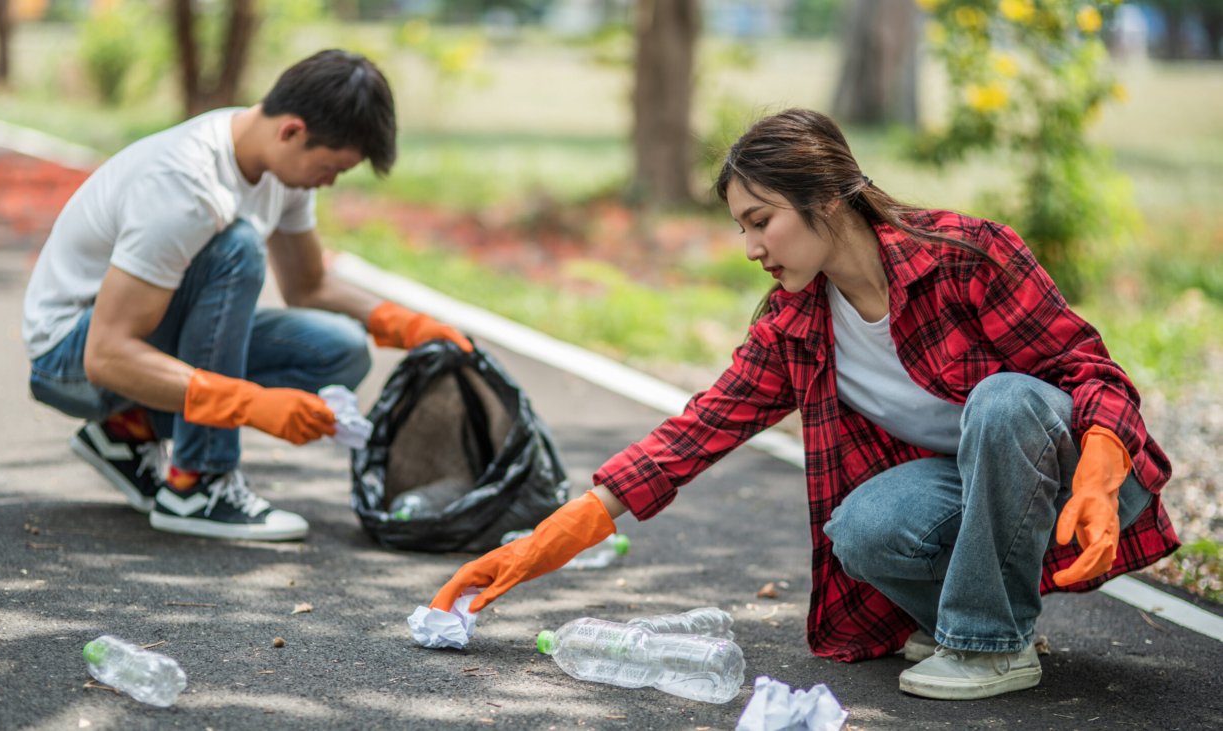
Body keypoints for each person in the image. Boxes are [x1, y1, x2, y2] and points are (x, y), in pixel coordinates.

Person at [430, 108, 1178, 700]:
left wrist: (1099, 479)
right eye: (740, 227)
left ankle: (986, 640)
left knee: (1004, 398)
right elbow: (689, 438)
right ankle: (980, 627)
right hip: (976, 491)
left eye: (762, 219)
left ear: (826, 198)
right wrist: (535, 548)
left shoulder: (963, 256)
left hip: (1085, 476)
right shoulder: (795, 325)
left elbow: (1092, 373)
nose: (751, 245)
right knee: (859, 526)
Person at [23, 49, 471, 542]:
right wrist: (250, 403)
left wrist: (407, 326)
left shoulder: (280, 169)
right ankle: (199, 483)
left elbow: (309, 285)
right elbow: (105, 357)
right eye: (332, 167)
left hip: (126, 344)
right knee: (236, 249)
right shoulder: (187, 184)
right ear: (292, 131)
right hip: (69, 356)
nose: (331, 181)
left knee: (338, 351)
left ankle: (126, 431)